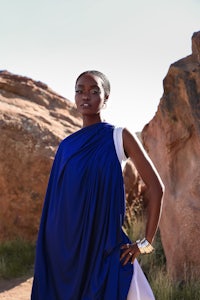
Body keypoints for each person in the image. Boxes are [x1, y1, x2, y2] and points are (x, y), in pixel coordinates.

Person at [31, 70, 164, 300]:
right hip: (65, 251)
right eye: (79, 90)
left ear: (106, 98)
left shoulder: (119, 137)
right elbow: (55, 203)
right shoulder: (66, 147)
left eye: (94, 91)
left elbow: (156, 187)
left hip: (107, 249)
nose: (85, 96)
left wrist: (144, 243)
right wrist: (50, 250)